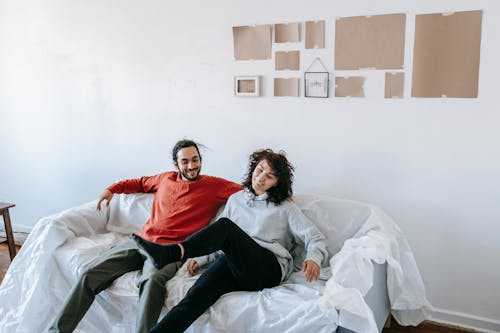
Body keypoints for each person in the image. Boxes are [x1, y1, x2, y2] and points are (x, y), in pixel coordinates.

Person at [49, 139, 242, 333]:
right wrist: (111, 190)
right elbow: (138, 183)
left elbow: (246, 194)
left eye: (195, 160)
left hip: (169, 251)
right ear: (176, 164)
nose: (192, 166)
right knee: (89, 274)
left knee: (151, 282)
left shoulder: (215, 186)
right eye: (185, 161)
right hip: (139, 242)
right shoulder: (165, 179)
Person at [132, 149, 329, 333]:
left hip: (267, 268)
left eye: (269, 176)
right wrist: (201, 260)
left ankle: (171, 252)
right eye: (259, 170)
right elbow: (217, 240)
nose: (260, 178)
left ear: (277, 182)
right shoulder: (236, 200)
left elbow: (314, 237)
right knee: (193, 299)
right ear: (253, 169)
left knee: (226, 227)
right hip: (234, 264)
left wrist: (313, 258)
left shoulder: (285, 207)